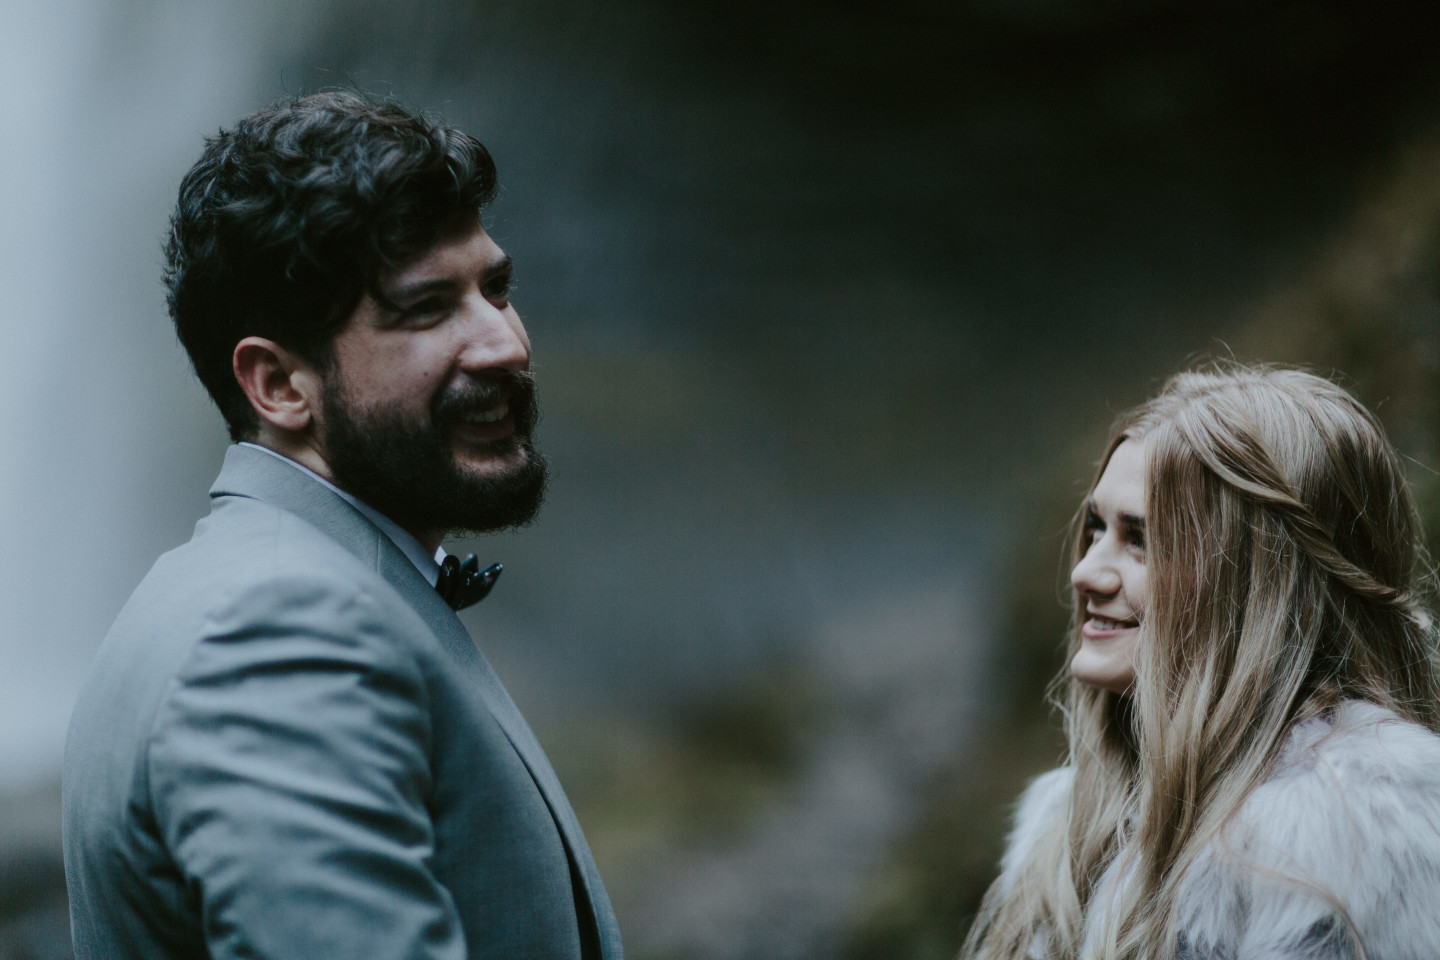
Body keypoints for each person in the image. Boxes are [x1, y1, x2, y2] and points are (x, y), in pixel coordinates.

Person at [62, 91, 623, 960]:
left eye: (495, 288)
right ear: (280, 386)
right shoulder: (274, 631)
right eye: (426, 308)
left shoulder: (271, 586)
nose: (505, 343)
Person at [963, 365, 1440, 959]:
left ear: (1257, 582)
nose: (1086, 571)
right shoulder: (1066, 823)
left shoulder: (1352, 833)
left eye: (1141, 539)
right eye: (1095, 528)